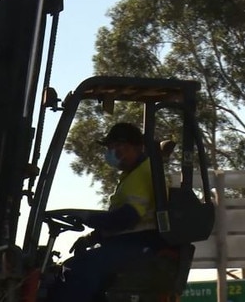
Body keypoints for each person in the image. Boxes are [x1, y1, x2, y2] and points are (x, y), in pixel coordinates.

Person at [48, 122, 166, 302]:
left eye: (117, 148)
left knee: (77, 269)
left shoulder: (144, 172)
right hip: (130, 243)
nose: (112, 154)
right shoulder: (131, 175)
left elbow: (127, 218)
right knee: (72, 269)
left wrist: (88, 217)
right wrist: (92, 238)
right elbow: (123, 225)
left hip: (141, 246)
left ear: (136, 147)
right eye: (110, 149)